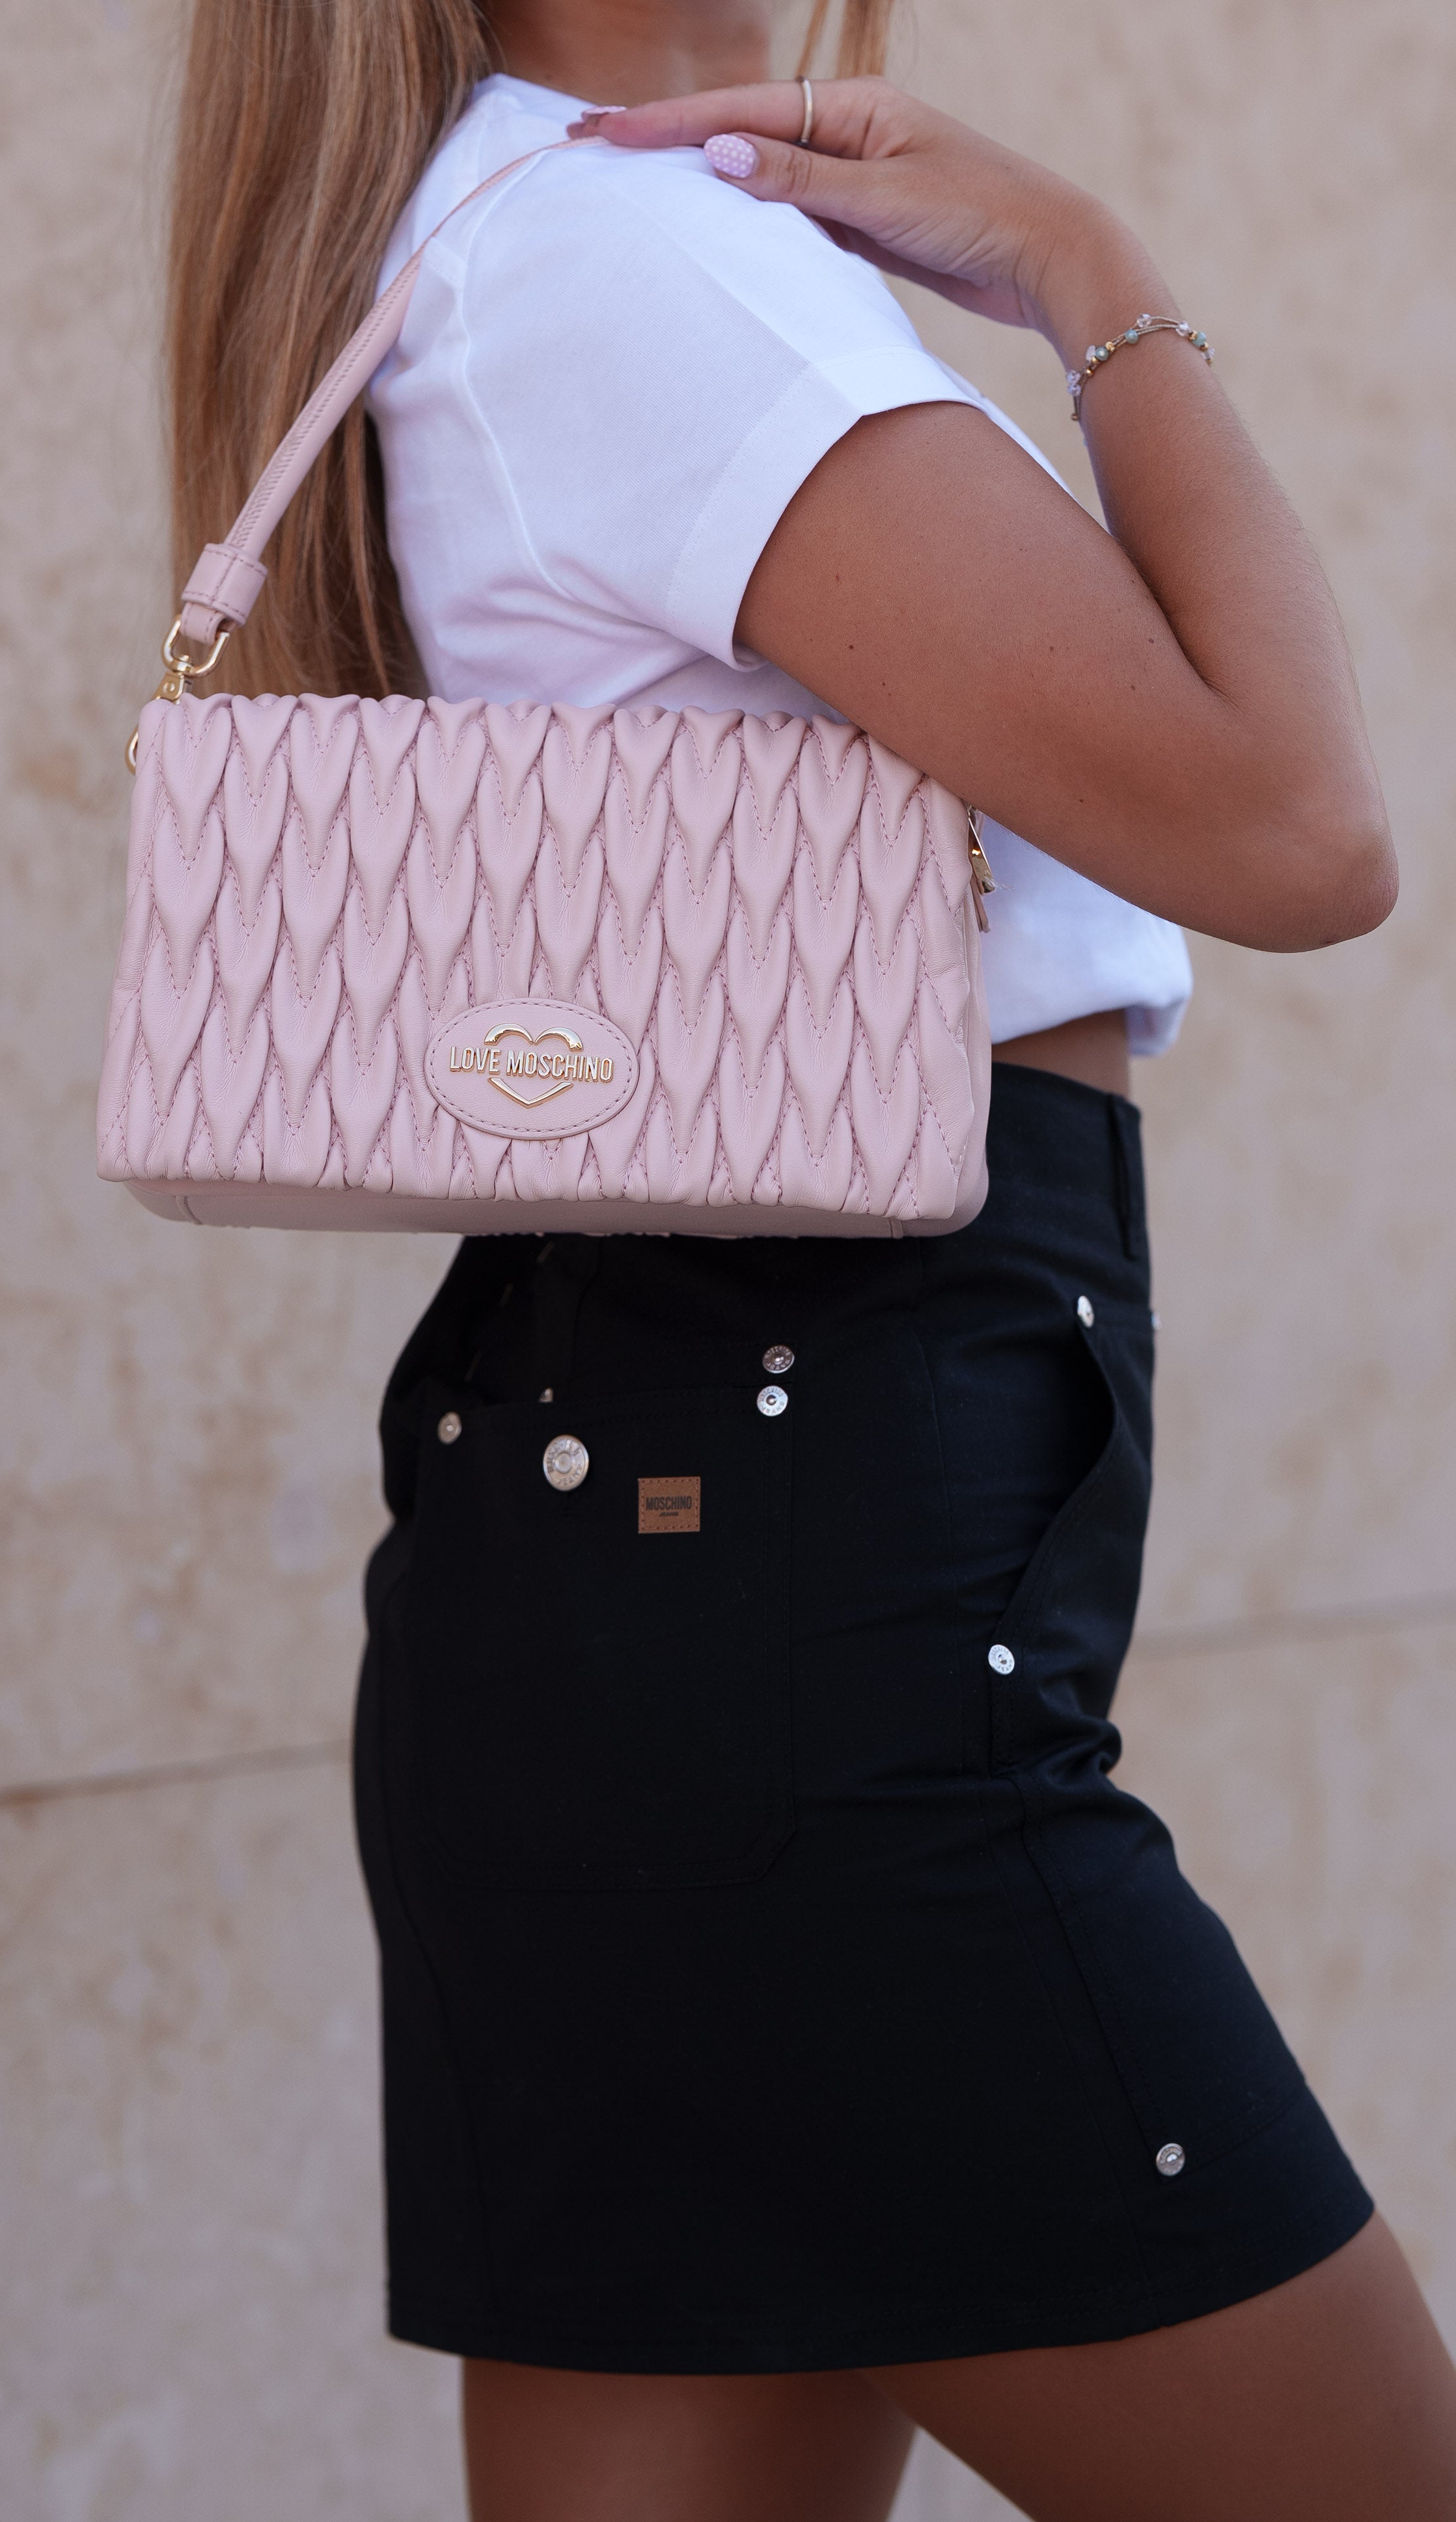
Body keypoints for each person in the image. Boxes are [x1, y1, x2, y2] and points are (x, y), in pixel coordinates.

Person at [165, 3, 1456, 2514]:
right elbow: (1296, 830)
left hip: (647, 1597)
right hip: (802, 1638)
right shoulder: (636, 267)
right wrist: (1093, 275)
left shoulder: (528, 233)